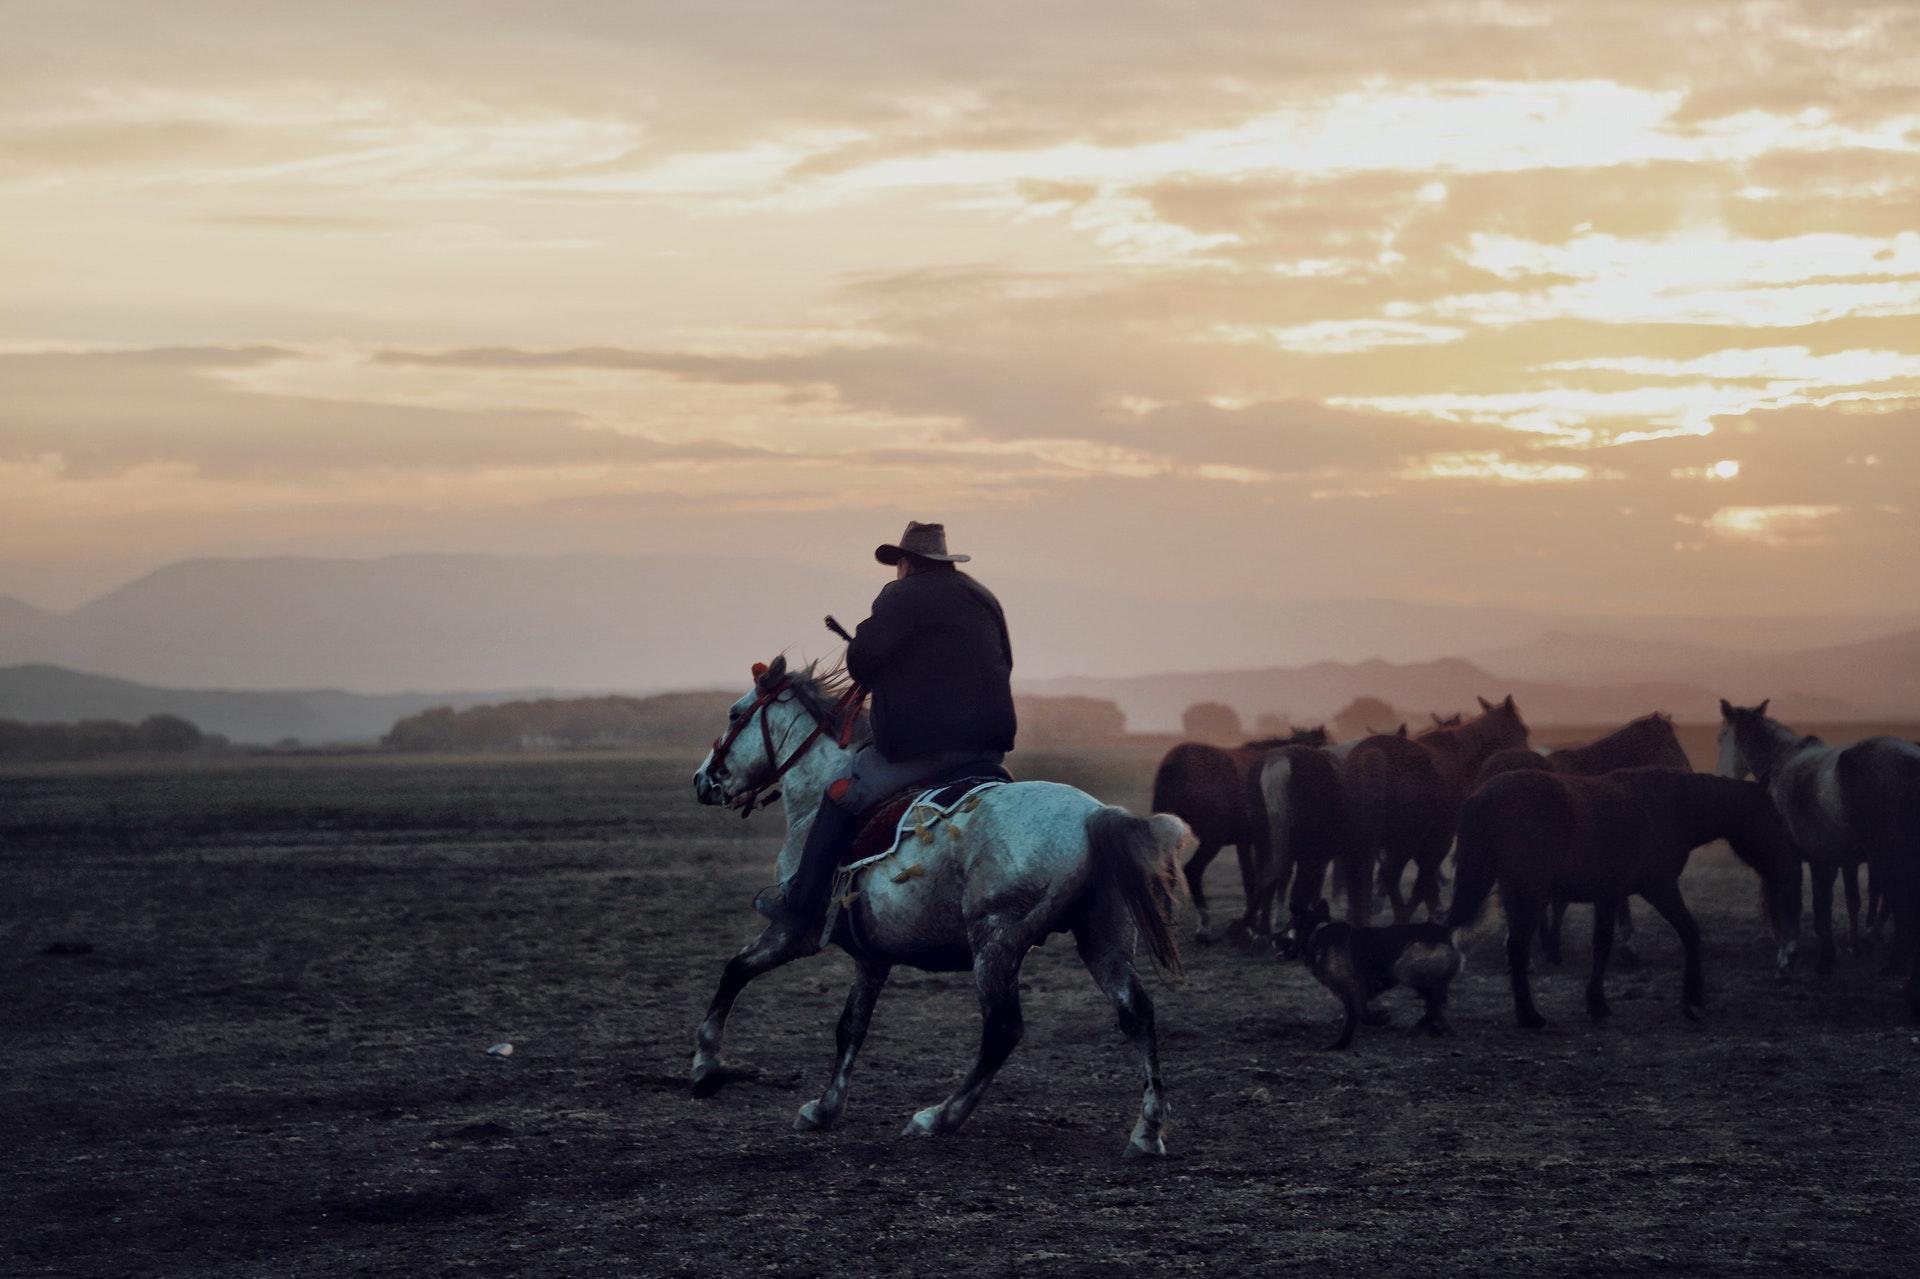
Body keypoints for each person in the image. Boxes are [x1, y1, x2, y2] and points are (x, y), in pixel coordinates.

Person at [754, 521, 1016, 947]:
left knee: (842, 792)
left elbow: (862, 661)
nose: (897, 571)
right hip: (989, 748)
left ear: (907, 563)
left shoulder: (901, 595)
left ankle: (800, 907)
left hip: (925, 748)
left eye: (898, 563)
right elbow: (1000, 661)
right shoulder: (983, 597)